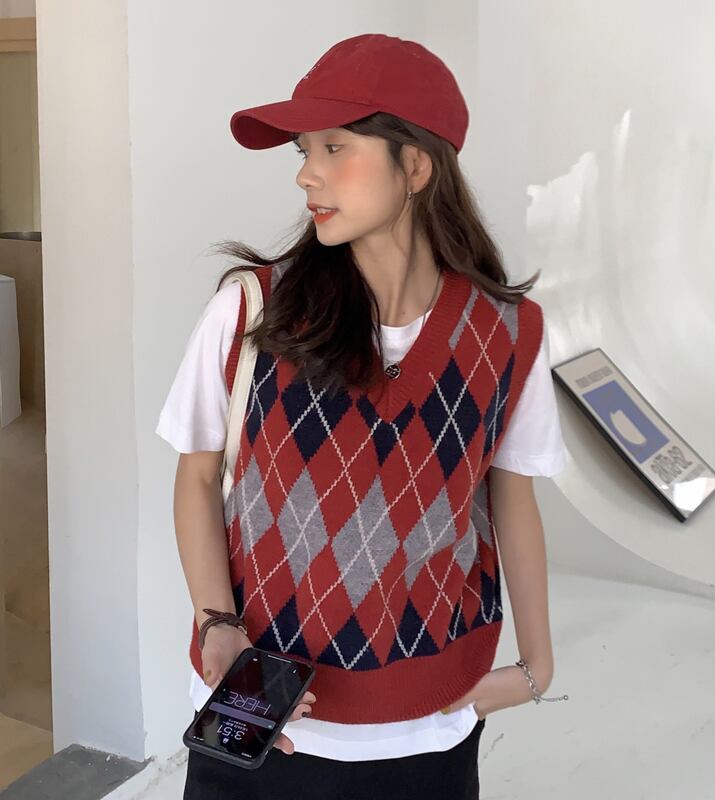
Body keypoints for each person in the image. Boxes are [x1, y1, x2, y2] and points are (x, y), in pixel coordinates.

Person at [156, 32, 569, 800]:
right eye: (304, 151)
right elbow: (198, 476)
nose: (306, 174)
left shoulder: (509, 333)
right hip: (261, 707)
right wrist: (216, 627)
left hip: (429, 719)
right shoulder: (251, 312)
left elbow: (511, 497)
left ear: (416, 166)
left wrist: (536, 665)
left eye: (335, 147)